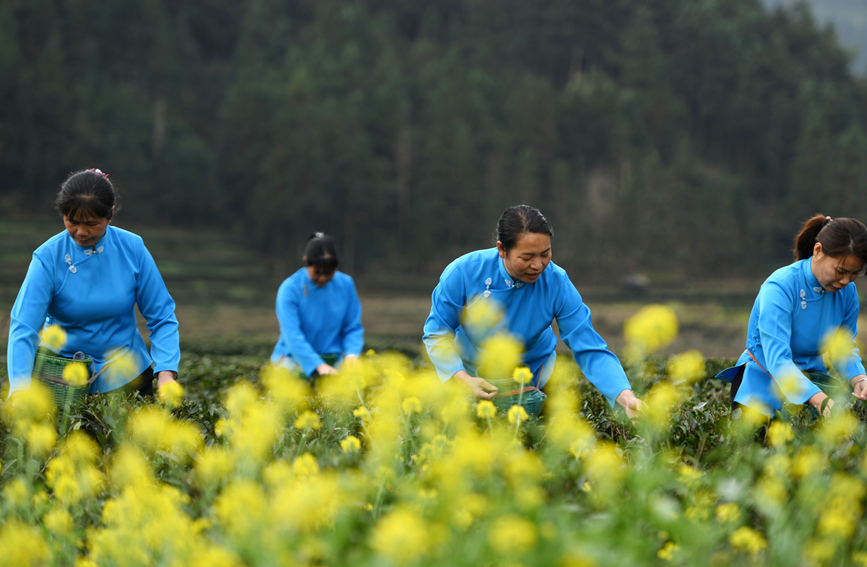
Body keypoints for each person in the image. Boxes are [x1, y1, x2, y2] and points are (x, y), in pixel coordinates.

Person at [423, 205, 644, 418]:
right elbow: (437, 332)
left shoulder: (556, 281)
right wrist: (462, 378)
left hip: (532, 376)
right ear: (502, 249)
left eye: (545, 254)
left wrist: (626, 398)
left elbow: (589, 347)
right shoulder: (464, 271)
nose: (538, 265)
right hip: (471, 373)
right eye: (527, 258)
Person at [7, 168, 180, 398]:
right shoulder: (48, 258)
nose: (81, 232)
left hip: (128, 378)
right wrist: (19, 390)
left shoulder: (132, 248)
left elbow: (162, 316)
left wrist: (166, 373)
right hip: (61, 379)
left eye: (91, 223)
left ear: (110, 213)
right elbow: (24, 328)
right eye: (72, 221)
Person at [717, 215, 867, 418]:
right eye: (840, 271)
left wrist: (859, 380)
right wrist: (821, 401)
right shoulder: (780, 287)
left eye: (853, 274)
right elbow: (777, 359)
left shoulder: (847, 293)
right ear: (818, 251)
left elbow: (843, 348)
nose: (845, 281)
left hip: (813, 386)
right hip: (762, 386)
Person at [270, 233, 365, 378]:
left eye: (329, 273)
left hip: (332, 358)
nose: (323, 278)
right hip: (293, 358)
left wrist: (352, 354)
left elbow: (352, 327)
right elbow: (292, 334)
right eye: (317, 272)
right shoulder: (290, 289)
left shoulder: (346, 285)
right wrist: (317, 365)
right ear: (306, 262)